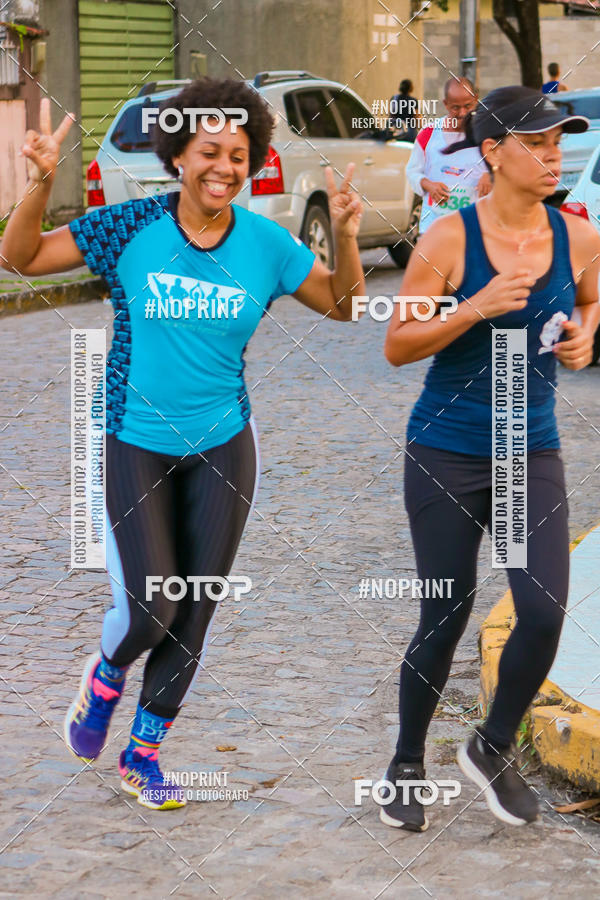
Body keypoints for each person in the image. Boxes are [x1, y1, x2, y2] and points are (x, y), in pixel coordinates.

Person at [1, 80, 365, 810]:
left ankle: (144, 754)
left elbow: (344, 304)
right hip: (133, 440)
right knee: (150, 606)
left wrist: (349, 235)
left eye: (238, 155)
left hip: (224, 444)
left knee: (194, 607)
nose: (223, 167)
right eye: (208, 152)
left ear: (252, 161)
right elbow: (21, 258)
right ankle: (104, 677)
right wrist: (40, 184)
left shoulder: (268, 245)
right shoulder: (127, 227)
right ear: (177, 156)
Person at [382, 85, 600, 831]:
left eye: (559, 142)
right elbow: (397, 344)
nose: (553, 155)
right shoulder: (449, 240)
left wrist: (584, 334)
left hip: (530, 449)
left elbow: (592, 301)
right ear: (494, 152)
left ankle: (492, 744)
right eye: (537, 143)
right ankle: (406, 761)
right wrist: (474, 306)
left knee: (543, 613)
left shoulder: (578, 236)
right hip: (447, 448)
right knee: (445, 613)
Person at [406, 77, 492, 238]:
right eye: (455, 108)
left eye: (468, 106)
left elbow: (507, 167)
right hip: (434, 228)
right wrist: (429, 185)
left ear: (476, 99)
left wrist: (491, 174)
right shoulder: (429, 134)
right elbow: (412, 172)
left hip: (475, 230)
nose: (462, 113)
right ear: (445, 104)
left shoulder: (488, 134)